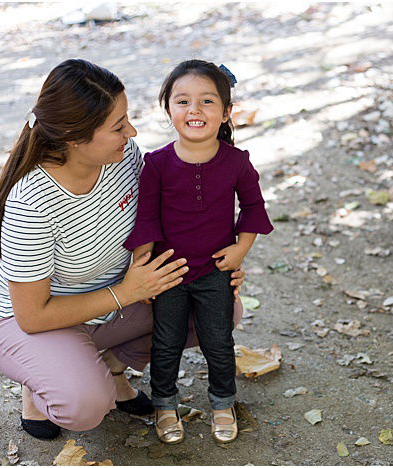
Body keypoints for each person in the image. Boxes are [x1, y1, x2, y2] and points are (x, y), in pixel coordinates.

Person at [0, 58, 245, 440]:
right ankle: (40, 383)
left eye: (128, 119)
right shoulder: (31, 204)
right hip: (35, 320)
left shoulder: (122, 157)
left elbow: (168, 219)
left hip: (114, 301)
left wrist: (221, 260)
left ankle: (110, 365)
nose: (132, 131)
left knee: (220, 308)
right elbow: (32, 316)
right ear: (73, 136)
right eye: (119, 126)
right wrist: (128, 292)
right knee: (85, 406)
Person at [123, 59, 273, 445]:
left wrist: (241, 250)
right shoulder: (156, 164)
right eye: (183, 101)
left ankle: (223, 402)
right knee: (166, 342)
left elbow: (254, 208)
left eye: (207, 101)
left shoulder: (237, 162)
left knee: (218, 341)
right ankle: (164, 405)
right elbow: (146, 221)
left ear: (225, 112)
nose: (194, 110)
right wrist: (144, 272)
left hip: (214, 272)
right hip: (168, 273)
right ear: (168, 110)